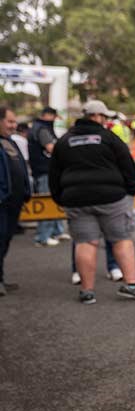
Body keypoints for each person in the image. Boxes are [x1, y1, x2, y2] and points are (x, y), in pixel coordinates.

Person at [49, 100, 135, 305]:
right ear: (98, 117)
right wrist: (131, 189)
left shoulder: (65, 140)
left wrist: (61, 197)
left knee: (85, 242)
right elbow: (127, 165)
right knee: (120, 239)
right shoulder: (108, 137)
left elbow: (54, 174)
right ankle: (132, 285)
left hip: (77, 200)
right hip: (112, 198)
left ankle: (87, 291)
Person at [0, 107, 31, 295]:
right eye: (9, 122)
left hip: (14, 203)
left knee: (5, 240)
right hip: (3, 203)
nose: (14, 126)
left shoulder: (9, 142)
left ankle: (1, 277)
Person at [28, 106, 68, 246]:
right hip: (45, 171)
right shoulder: (42, 129)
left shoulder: (40, 127)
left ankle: (57, 231)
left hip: (46, 170)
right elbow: (51, 148)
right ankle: (43, 237)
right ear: (48, 116)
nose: (55, 120)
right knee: (47, 202)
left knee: (54, 200)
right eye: (54, 117)